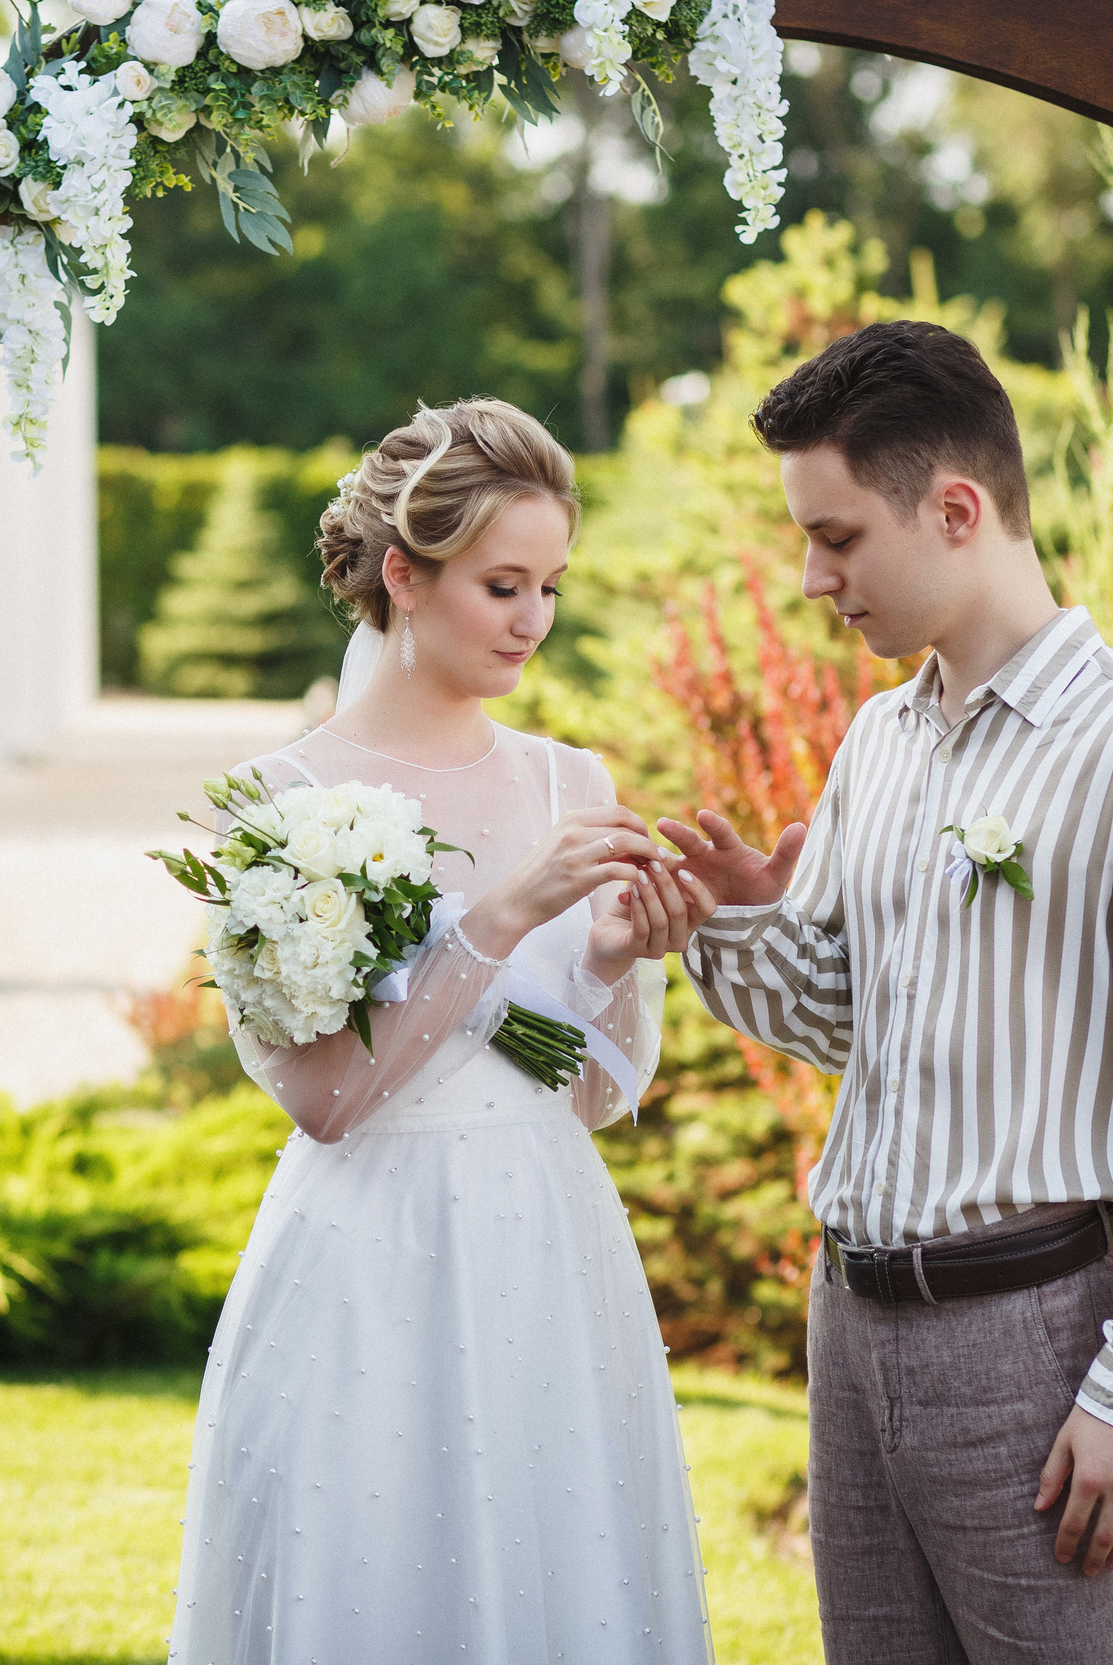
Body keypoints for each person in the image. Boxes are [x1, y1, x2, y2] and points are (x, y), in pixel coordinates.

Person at [657, 320, 1113, 1663]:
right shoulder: (879, 737)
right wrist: (733, 921)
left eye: (837, 537)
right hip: (850, 1324)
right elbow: (846, 1014)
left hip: (1034, 1343)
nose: (815, 579)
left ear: (956, 508)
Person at [165, 398, 715, 1664]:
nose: (533, 620)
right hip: (369, 1255)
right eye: (501, 584)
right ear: (404, 577)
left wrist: (616, 963)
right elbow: (327, 1101)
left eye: (550, 586)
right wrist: (504, 914)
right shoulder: (278, 805)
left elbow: (581, 1090)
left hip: (547, 1242)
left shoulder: (568, 781)